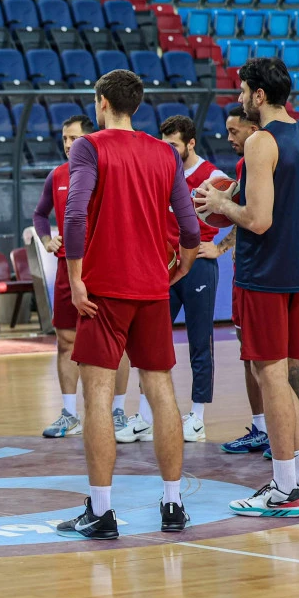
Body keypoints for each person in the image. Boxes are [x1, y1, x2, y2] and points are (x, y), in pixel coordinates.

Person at [55, 70, 200, 540]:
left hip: (104, 291)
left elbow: (74, 213)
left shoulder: (89, 147)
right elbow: (189, 224)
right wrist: (183, 263)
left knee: (98, 396)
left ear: (101, 102)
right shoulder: (165, 153)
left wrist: (75, 278)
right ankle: (174, 504)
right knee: (161, 391)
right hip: (152, 287)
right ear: (135, 106)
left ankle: (101, 511)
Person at [196, 57, 299, 518]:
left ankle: (283, 488)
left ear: (258, 94)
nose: (238, 99)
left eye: (242, 91)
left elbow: (257, 219)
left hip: (266, 275)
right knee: (283, 378)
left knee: (270, 377)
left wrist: (220, 202)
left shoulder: (260, 141)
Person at [34, 115, 133, 440]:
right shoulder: (57, 175)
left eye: (73, 138)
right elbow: (39, 213)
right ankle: (69, 414)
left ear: (90, 140)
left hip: (104, 265)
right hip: (68, 267)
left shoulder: (108, 171)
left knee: (115, 343)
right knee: (65, 340)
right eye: (64, 138)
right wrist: (46, 239)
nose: (67, 144)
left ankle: (118, 411)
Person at [159, 115, 230, 443]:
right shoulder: (161, 172)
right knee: (153, 340)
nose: (168, 151)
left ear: (190, 143)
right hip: (167, 266)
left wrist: (221, 247)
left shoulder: (213, 177)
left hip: (199, 264)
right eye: (164, 145)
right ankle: (148, 415)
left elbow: (248, 211)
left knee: (200, 340)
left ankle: (198, 417)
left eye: (174, 145)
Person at [218, 107, 270, 455]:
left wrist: (220, 245)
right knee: (248, 351)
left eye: (234, 131)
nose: (228, 138)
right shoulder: (241, 166)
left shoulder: (257, 161)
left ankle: (279, 436)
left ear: (253, 129)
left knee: (267, 357)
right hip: (246, 271)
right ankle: (262, 428)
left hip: (261, 273)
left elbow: (253, 217)